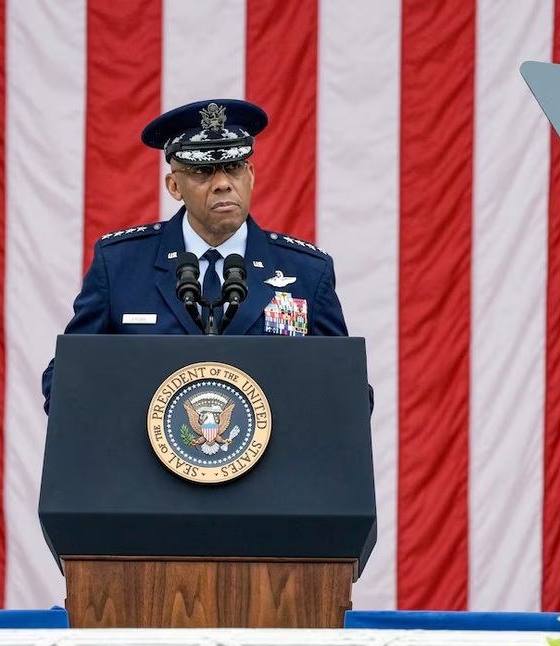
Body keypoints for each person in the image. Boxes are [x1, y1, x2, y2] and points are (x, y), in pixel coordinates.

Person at [41, 99, 350, 414]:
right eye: (203, 172)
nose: (222, 184)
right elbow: (66, 379)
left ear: (251, 175)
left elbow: (347, 389)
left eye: (233, 167)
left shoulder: (308, 272)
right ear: (174, 186)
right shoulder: (119, 265)